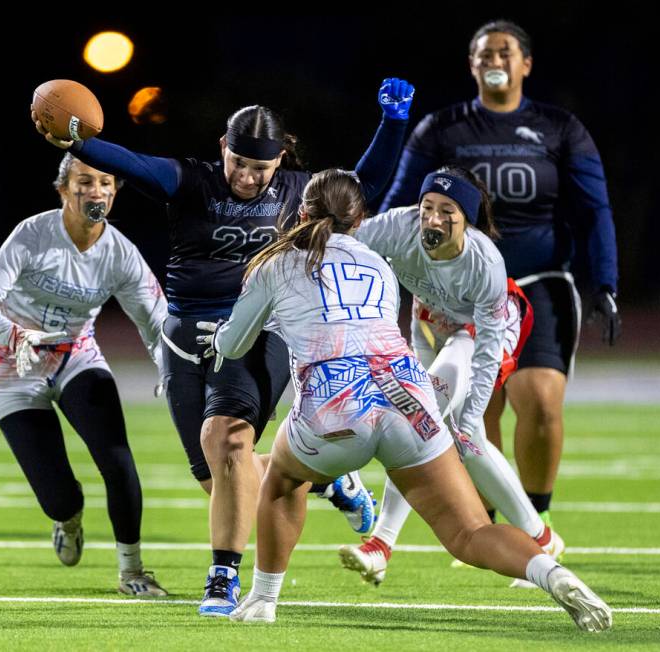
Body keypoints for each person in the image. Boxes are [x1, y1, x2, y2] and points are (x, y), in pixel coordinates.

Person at [32, 78, 416, 616]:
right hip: (186, 338)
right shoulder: (191, 181)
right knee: (218, 478)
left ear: (280, 159)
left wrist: (393, 122)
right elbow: (133, 162)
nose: (246, 175)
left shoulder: (296, 194)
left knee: (229, 440)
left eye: (259, 167)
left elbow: (363, 184)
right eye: (237, 162)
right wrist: (75, 141)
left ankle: (222, 578)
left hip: (260, 334)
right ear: (222, 149)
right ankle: (329, 482)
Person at [197, 169, 611, 632]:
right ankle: (550, 573)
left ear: (302, 213)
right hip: (408, 399)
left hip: (337, 406)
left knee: (282, 478)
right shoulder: (378, 264)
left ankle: (263, 598)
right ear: (360, 220)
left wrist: (220, 335)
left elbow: (234, 345)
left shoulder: (276, 263)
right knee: (470, 533)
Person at [380, 20, 621, 528]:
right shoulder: (442, 128)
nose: (494, 62)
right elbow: (398, 204)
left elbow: (595, 208)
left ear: (526, 64)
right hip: (459, 293)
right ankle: (488, 526)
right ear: (471, 64)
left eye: (505, 53)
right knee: (477, 413)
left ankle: (537, 519)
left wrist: (605, 280)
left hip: (539, 285)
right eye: (484, 54)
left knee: (539, 401)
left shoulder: (560, 128)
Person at [339, 167, 563, 588]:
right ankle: (541, 538)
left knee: (425, 421)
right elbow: (340, 248)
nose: (433, 220)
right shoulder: (396, 227)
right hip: (426, 325)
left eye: (448, 211)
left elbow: (486, 354)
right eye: (427, 208)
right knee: (464, 438)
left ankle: (381, 546)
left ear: (468, 219)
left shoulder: (485, 264)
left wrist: (473, 413)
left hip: (483, 333)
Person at [0, 153, 168, 598]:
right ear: (62, 189)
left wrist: (171, 370)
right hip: (14, 366)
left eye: (105, 182)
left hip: (76, 357)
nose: (95, 191)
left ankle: (132, 571)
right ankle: (68, 518)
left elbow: (157, 324)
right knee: (57, 497)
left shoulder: (120, 253)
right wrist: (16, 333)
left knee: (118, 460)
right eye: (84, 181)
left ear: (115, 192)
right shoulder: (32, 234)